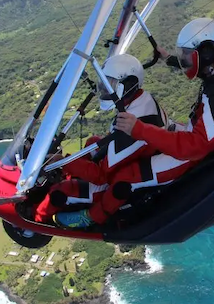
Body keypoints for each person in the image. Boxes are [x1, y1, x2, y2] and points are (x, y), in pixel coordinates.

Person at [55, 18, 214, 228]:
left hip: (192, 156)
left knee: (126, 177)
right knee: (105, 145)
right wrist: (169, 58)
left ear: (207, 53)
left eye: (187, 57)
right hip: (191, 135)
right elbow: (200, 69)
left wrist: (138, 129)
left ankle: (93, 217)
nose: (185, 63)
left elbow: (195, 147)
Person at [34, 53, 167, 221]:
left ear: (129, 85)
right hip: (136, 158)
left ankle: (36, 224)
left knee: (58, 192)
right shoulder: (142, 99)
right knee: (92, 142)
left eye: (110, 84)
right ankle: (75, 176)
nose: (104, 89)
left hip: (116, 179)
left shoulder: (130, 131)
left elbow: (101, 176)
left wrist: (65, 161)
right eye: (104, 83)